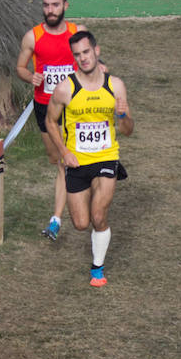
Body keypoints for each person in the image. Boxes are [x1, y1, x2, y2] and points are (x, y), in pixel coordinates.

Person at [45, 30, 134, 287]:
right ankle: (94, 232)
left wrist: (122, 116)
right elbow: (50, 122)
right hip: (77, 162)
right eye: (77, 55)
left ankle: (98, 268)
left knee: (98, 216)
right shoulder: (65, 88)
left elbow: (128, 131)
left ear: (97, 51)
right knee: (82, 223)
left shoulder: (115, 86)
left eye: (86, 52)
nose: (83, 58)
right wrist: (64, 152)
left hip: (107, 157)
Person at [16, 0, 88, 240]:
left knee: (63, 163)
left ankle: (56, 219)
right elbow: (20, 68)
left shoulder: (77, 33)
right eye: (46, 5)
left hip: (72, 106)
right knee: (55, 158)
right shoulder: (32, 37)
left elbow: (90, 62)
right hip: (44, 107)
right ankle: (79, 184)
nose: (50, 10)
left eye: (55, 5)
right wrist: (30, 77)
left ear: (65, 6)